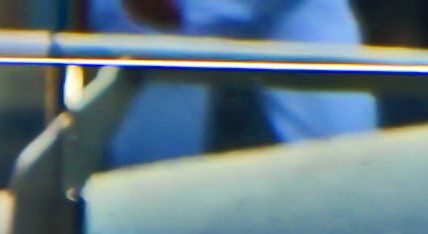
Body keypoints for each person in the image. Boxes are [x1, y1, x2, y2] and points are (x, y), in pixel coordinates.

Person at [81, 0, 381, 168]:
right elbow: (133, 13)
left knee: (339, 181)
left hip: (321, 206)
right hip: (156, 208)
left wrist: (180, 10)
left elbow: (163, 10)